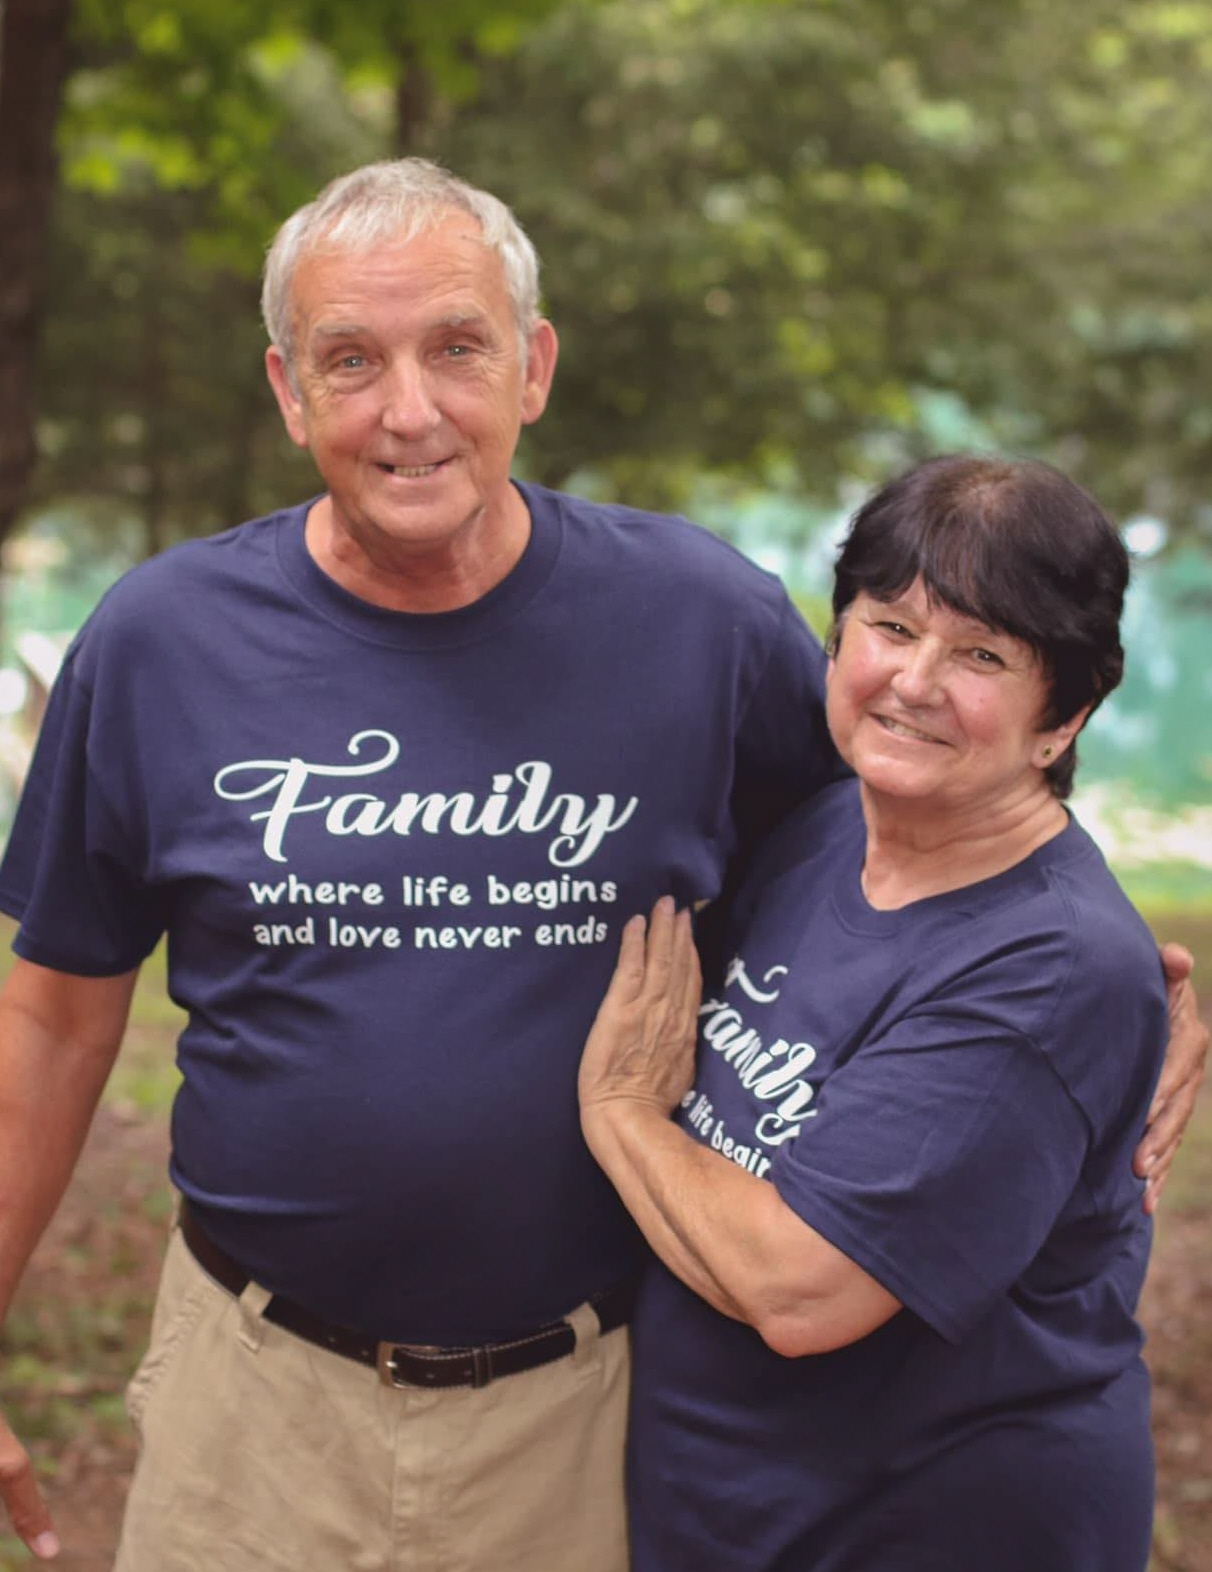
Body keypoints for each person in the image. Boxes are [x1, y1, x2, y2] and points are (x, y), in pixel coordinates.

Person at [0, 160, 1201, 1568]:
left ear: (534, 366)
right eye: (349, 360)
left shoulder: (696, 622)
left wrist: (1131, 991)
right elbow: (52, 1016)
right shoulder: (158, 643)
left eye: (457, 347)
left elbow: (939, 797)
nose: (409, 410)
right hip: (252, 1395)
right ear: (287, 390)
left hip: (590, 1414)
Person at [578, 454, 1194, 1571]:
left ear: (1063, 717)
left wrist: (624, 1114)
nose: (914, 681)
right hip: (738, 1512)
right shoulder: (823, 832)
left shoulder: (1048, 970)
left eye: (982, 655)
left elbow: (800, 1288)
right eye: (891, 627)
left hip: (927, 1526)